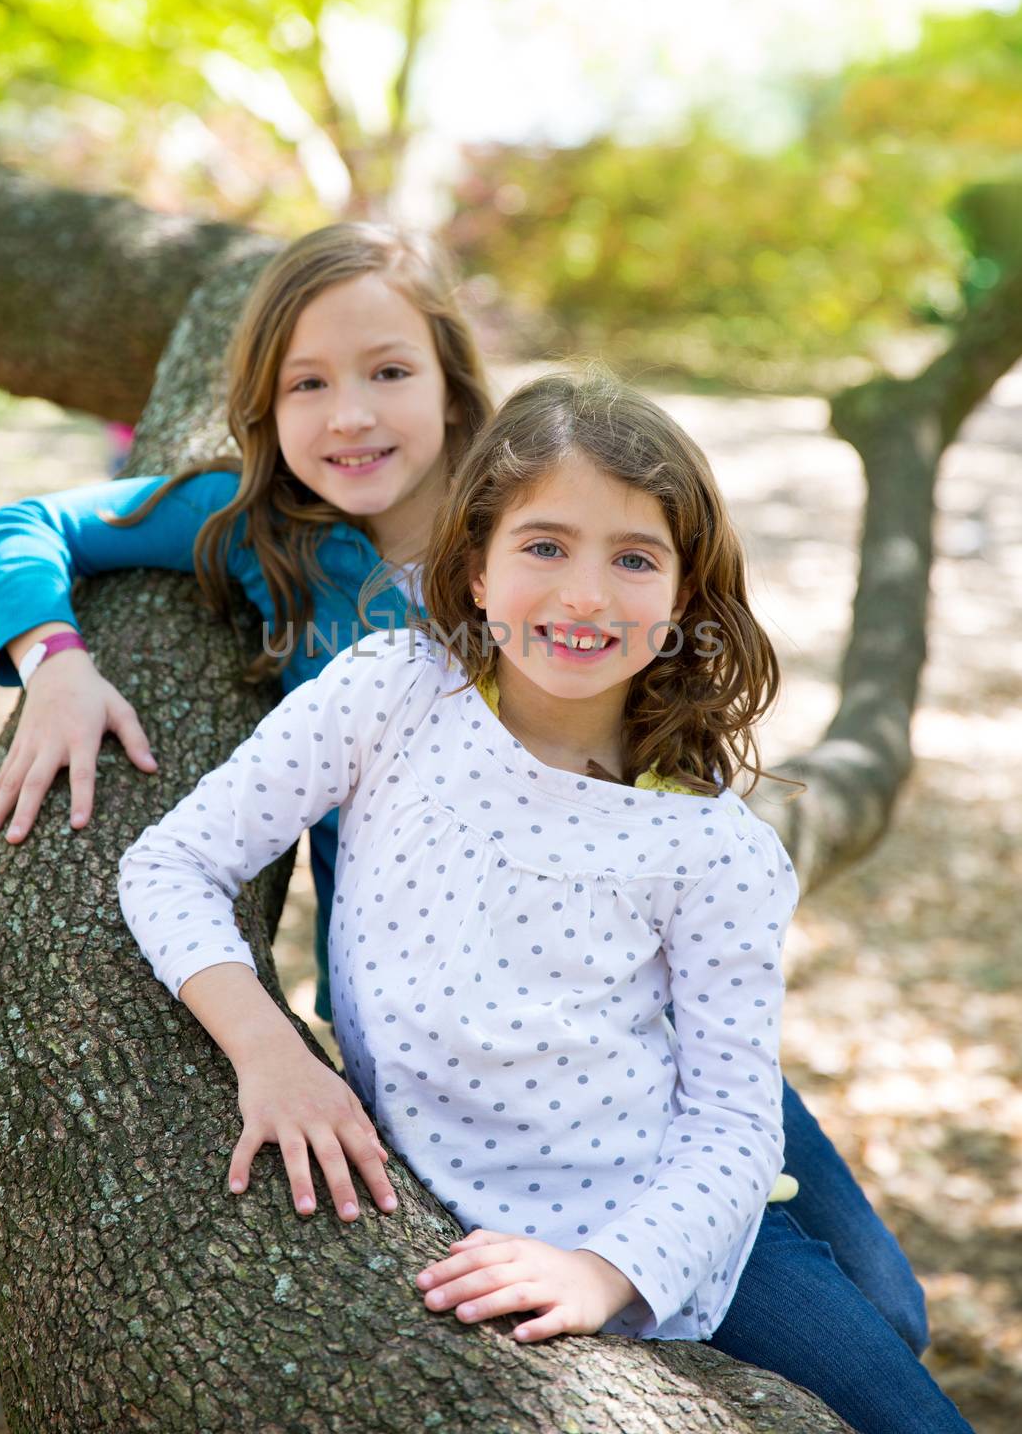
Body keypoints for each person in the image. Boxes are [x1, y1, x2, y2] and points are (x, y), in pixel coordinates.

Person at [0, 222, 929, 1364]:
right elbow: (30, 521)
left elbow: (651, 705)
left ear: (451, 382)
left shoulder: (546, 506)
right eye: (307, 384)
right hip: (430, 963)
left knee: (887, 1301)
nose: (352, 416)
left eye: (389, 372)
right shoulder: (259, 531)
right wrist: (58, 660)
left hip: (616, 981)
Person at [115, 370, 973, 1433]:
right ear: (472, 567)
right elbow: (168, 864)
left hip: (658, 1213)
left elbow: (731, 1125)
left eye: (632, 558)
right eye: (543, 546)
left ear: (682, 598)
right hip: (455, 1194)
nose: (584, 595)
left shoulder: (712, 845)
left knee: (904, 1393)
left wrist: (605, 1272)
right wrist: (270, 1051)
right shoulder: (391, 691)